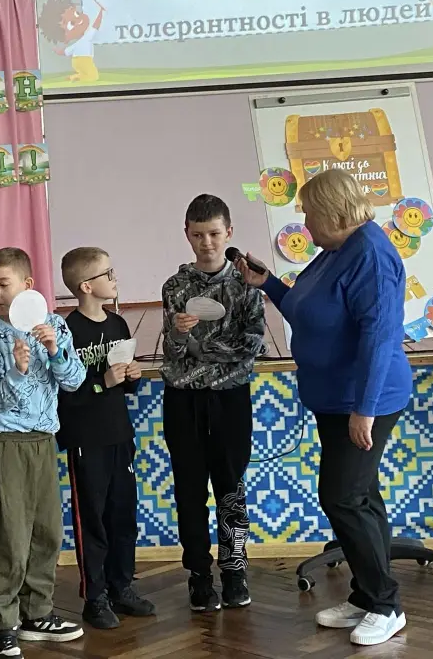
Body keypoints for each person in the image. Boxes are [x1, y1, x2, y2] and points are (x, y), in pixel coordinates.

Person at [236, 169, 410, 647]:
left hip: (365, 399)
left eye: (311, 214)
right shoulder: (336, 251)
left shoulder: (370, 255)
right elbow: (308, 308)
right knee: (361, 496)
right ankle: (367, 596)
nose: (306, 224)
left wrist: (364, 409)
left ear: (335, 213)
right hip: (336, 398)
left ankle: (386, 605)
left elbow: (379, 338)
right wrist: (268, 283)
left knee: (342, 497)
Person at [0, 247, 87, 659]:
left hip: (43, 443)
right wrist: (16, 371)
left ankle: (36, 613)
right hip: (6, 445)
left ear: (27, 285)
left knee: (46, 533)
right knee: (8, 537)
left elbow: (74, 381)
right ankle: (2, 624)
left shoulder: (55, 325)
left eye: (3, 284)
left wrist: (55, 351)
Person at [161, 194, 266, 612]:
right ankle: (199, 575)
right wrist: (179, 335)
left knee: (230, 488)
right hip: (183, 399)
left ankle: (235, 571)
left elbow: (251, 345)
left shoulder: (246, 284)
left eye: (214, 234)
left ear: (229, 233)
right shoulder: (175, 287)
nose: (206, 243)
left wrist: (198, 349)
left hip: (230, 398)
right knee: (188, 491)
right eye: (198, 235)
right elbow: (171, 351)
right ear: (187, 234)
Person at [57, 247, 155, 630]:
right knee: (92, 520)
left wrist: (131, 377)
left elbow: (123, 386)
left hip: (119, 434)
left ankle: (121, 586)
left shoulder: (117, 324)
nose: (115, 279)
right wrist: (102, 382)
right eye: (107, 273)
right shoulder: (67, 331)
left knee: (122, 514)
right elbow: (65, 393)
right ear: (86, 285)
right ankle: (94, 597)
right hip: (86, 439)